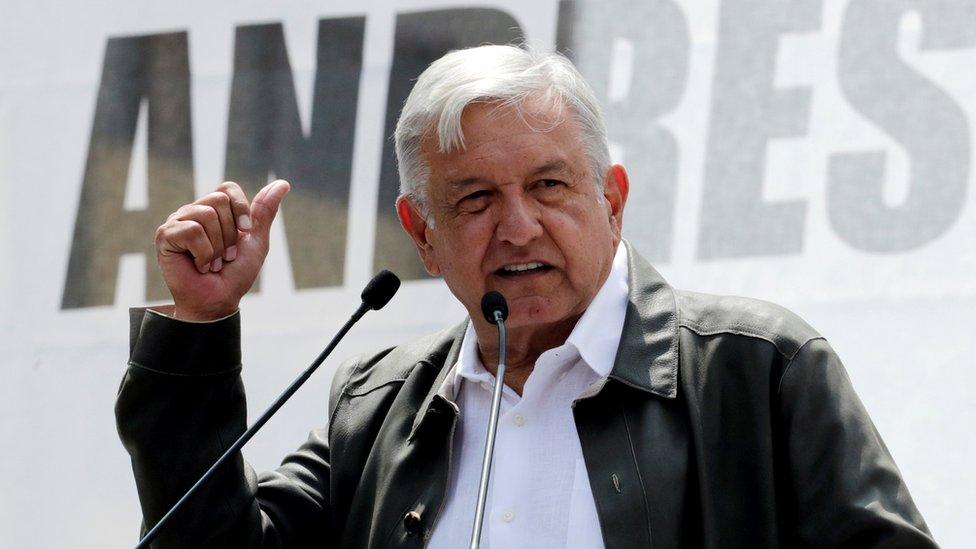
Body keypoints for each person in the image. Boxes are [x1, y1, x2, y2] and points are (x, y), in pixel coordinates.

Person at [117, 45, 936, 548]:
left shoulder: (758, 373)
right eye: (473, 199)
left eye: (549, 185)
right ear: (421, 231)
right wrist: (200, 325)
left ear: (611, 198)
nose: (518, 227)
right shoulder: (377, 410)